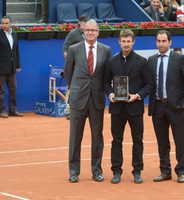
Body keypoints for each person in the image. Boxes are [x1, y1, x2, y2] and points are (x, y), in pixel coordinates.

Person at [64, 19, 111, 183]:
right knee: (75, 137)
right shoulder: (73, 49)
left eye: (93, 30)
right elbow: (68, 73)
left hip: (97, 99)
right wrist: (76, 89)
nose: (90, 32)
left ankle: (97, 170)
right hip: (78, 99)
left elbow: (107, 76)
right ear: (83, 31)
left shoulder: (106, 50)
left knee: (97, 137)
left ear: (98, 32)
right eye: (88, 30)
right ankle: (73, 171)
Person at [104, 29, 152, 184]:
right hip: (117, 108)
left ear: (133, 42)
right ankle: (116, 171)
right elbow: (105, 83)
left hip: (135, 108)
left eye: (128, 41)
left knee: (138, 140)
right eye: (123, 41)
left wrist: (137, 96)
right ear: (119, 41)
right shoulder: (111, 62)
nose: (126, 44)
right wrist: (111, 94)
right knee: (116, 140)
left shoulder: (142, 62)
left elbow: (149, 85)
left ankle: (137, 171)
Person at [148, 30, 184, 183]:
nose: (161, 44)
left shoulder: (180, 59)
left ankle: (181, 171)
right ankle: (165, 171)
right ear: (155, 42)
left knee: (181, 141)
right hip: (158, 107)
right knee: (162, 142)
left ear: (170, 42)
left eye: (164, 41)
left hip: (176, 107)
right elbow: (147, 83)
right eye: (159, 41)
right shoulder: (151, 60)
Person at [0, 16, 23, 118]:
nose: (4, 25)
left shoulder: (14, 34)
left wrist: (18, 64)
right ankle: (2, 111)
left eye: (6, 23)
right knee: (1, 90)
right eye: (2, 23)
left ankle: (13, 110)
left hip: (12, 68)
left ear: (10, 23)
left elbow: (16, 51)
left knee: (13, 89)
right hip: (0, 68)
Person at [63, 16, 89, 119]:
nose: (87, 26)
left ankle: (84, 110)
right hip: (75, 67)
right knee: (71, 88)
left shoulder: (87, 33)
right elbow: (65, 49)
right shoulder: (73, 33)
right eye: (85, 23)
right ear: (80, 23)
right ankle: (68, 111)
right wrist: (71, 63)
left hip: (86, 67)